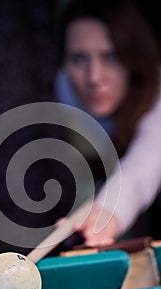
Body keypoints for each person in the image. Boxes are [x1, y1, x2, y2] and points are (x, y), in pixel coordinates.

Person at [54, 0, 161, 247]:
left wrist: (107, 212)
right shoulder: (55, 91)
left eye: (110, 57)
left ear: (133, 60)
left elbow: (144, 165)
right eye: (79, 58)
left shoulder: (156, 95)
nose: (94, 77)